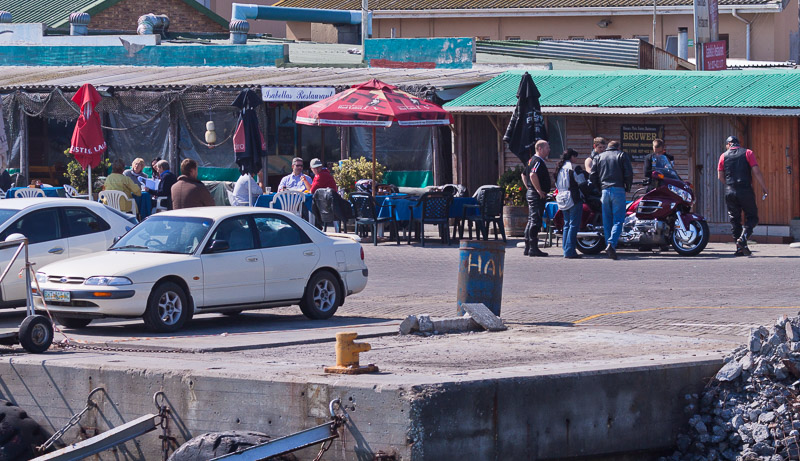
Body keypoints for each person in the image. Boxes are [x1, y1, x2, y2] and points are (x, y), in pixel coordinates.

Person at [717, 135, 768, 256]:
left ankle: (739, 248)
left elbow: (720, 176)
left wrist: (729, 186)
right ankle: (743, 238)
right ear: (738, 144)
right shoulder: (748, 153)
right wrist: (764, 188)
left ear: (728, 145)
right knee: (752, 217)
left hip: (730, 191)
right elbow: (756, 171)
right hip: (745, 190)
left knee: (735, 220)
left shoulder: (723, 156)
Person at [590, 140, 632, 260]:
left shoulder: (599, 157)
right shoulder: (621, 155)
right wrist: (627, 187)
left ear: (608, 147)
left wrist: (599, 188)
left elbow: (592, 175)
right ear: (618, 147)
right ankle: (611, 244)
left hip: (604, 190)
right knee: (618, 220)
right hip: (618, 189)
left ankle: (609, 247)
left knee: (607, 221)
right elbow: (628, 173)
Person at [554, 149, 585, 259]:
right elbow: (581, 182)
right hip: (573, 197)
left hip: (561, 197)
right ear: (571, 157)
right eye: (575, 157)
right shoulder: (573, 167)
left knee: (566, 225)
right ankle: (570, 250)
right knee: (573, 225)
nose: (576, 159)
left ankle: (566, 249)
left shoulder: (559, 168)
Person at [522, 140, 551, 257]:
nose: (549, 150)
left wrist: (528, 187)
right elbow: (532, 175)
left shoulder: (531, 160)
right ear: (540, 148)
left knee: (531, 219)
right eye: (547, 148)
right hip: (536, 195)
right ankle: (533, 248)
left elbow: (523, 174)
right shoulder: (537, 161)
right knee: (535, 220)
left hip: (531, 192)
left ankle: (528, 247)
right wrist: (537, 190)